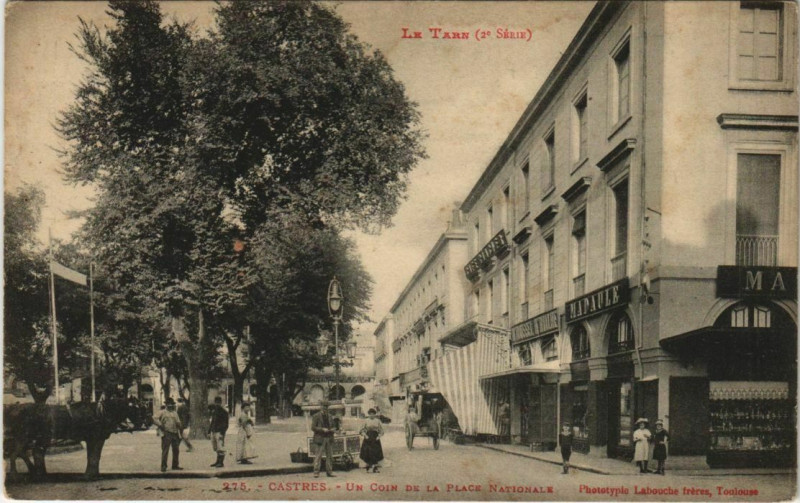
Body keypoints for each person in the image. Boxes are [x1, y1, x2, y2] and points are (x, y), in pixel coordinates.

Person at [155, 398, 183, 472]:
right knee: (165, 450)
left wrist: (180, 426)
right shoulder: (162, 412)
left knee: (176, 450)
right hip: (166, 433)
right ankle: (163, 466)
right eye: (169, 404)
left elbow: (178, 421)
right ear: (166, 405)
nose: (171, 405)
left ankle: (175, 465)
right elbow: (154, 418)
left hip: (175, 433)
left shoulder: (175, 413)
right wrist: (160, 425)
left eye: (172, 404)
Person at [311, 399, 336, 478]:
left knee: (330, 456)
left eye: (327, 406)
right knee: (318, 456)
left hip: (329, 438)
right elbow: (313, 427)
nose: (325, 408)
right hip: (320, 438)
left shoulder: (330, 416)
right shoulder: (316, 416)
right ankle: (316, 472)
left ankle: (329, 472)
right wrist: (322, 429)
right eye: (324, 406)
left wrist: (333, 429)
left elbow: (334, 426)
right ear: (321, 407)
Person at [359, 408, 384, 473]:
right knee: (368, 452)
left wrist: (379, 436)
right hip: (368, 438)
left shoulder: (377, 421)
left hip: (375, 438)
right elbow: (361, 430)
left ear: (375, 414)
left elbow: (381, 430)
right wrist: (365, 435)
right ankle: (369, 466)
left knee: (375, 452)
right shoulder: (366, 421)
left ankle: (374, 467)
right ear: (369, 414)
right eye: (370, 414)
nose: (372, 415)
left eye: (373, 414)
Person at [207, 396, 229, 468]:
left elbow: (226, 424)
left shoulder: (224, 412)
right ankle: (217, 461)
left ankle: (221, 462)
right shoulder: (214, 412)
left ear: (221, 403)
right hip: (213, 431)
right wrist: (209, 431)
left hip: (219, 431)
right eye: (216, 402)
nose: (217, 404)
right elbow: (212, 422)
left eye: (218, 403)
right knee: (215, 447)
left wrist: (222, 433)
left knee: (220, 447)